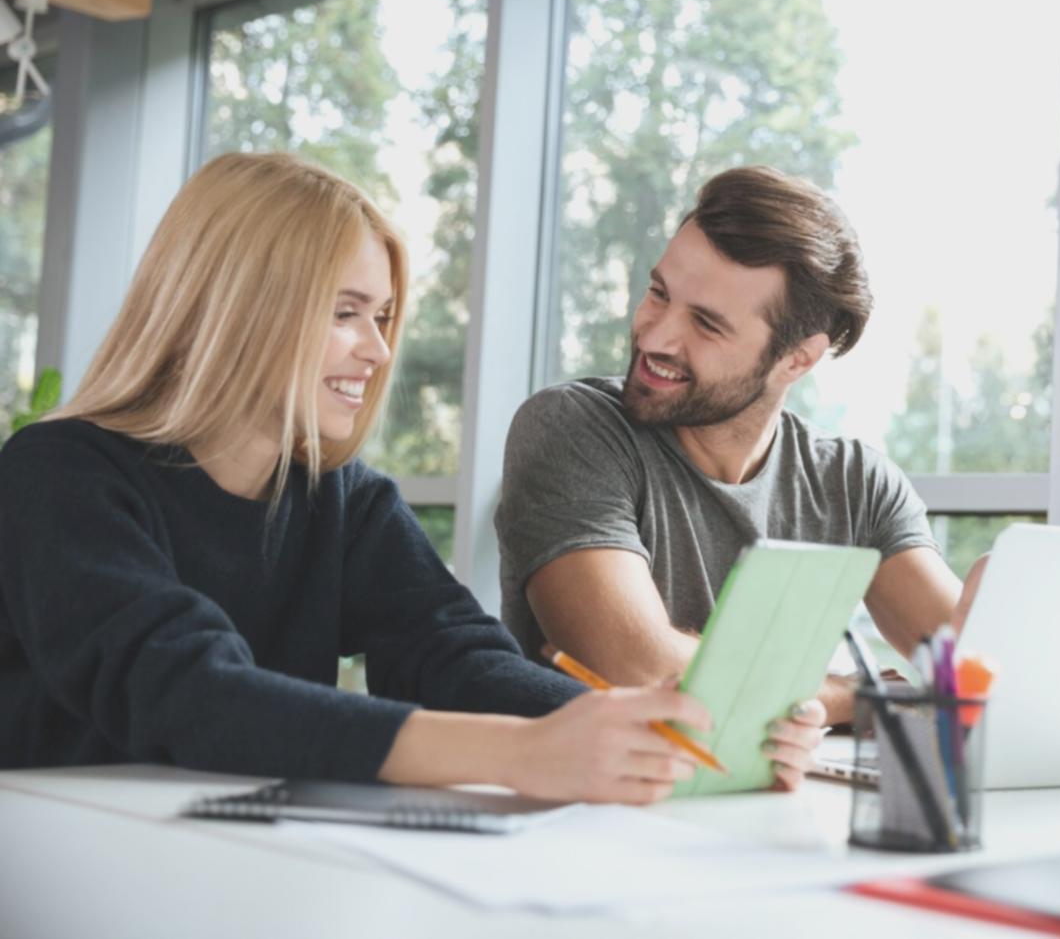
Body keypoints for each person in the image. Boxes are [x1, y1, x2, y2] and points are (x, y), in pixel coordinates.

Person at [0, 152, 823, 801]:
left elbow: (452, 654)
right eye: (345, 312)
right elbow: (192, 691)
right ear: (238, 308)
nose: (379, 351)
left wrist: (662, 726)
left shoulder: (344, 501)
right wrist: (521, 754)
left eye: (384, 317)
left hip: (233, 851)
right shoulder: (58, 474)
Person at [497, 166, 979, 723]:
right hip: (591, 801)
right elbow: (633, 666)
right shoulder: (572, 429)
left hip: (778, 803)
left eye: (706, 324)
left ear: (797, 358)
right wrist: (852, 699)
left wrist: (995, 627)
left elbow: (966, 673)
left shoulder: (855, 483)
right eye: (658, 293)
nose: (654, 337)